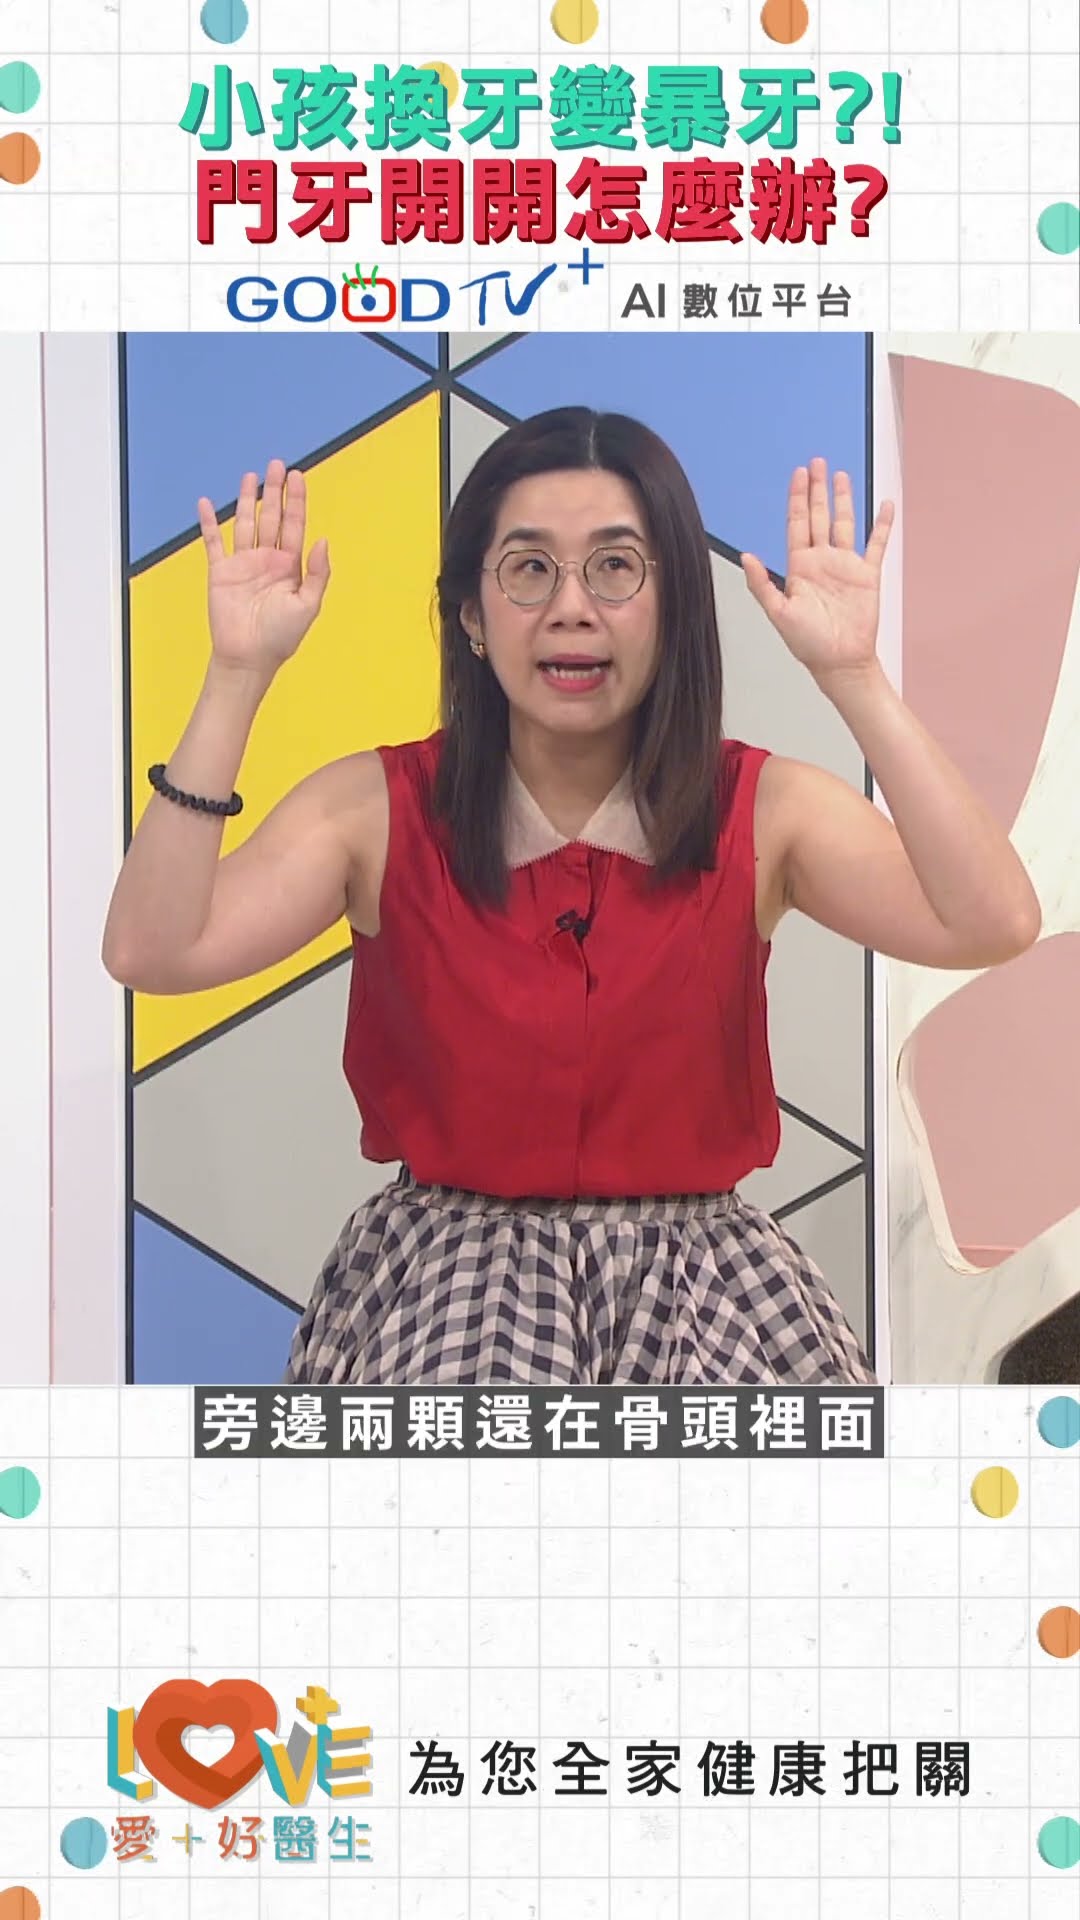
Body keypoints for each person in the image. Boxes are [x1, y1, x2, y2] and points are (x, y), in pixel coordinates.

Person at [102, 407, 1041, 1387]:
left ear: (674, 606)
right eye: (529, 569)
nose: (572, 608)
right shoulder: (374, 808)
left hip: (709, 1300)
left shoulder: (764, 809)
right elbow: (152, 951)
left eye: (616, 567)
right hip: (442, 1297)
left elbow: (991, 921)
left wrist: (853, 676)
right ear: (471, 614)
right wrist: (237, 675)